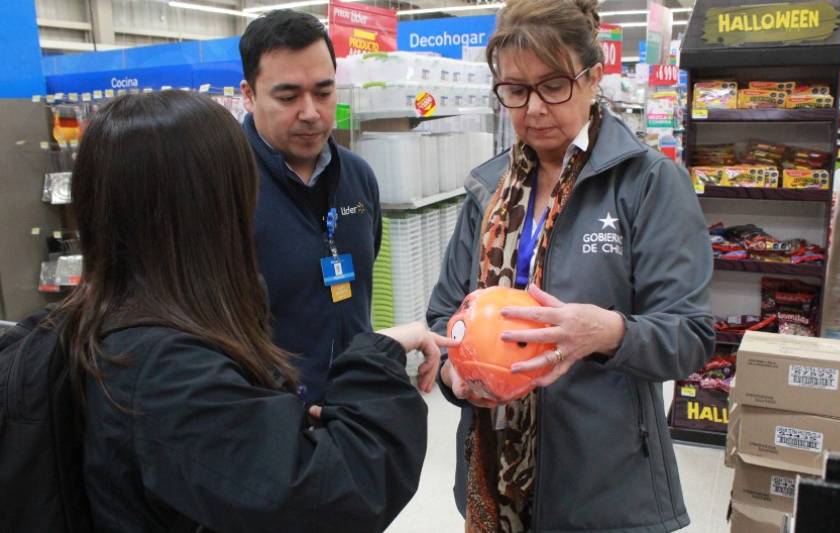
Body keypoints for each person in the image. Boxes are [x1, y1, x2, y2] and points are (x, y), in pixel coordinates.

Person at [56, 91, 450, 532]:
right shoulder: (167, 372)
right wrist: (376, 360)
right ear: (209, 209)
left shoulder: (97, 326)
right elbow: (344, 492)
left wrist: (271, 424)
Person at [426, 0, 715, 531]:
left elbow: (690, 333)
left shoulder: (646, 183)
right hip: (495, 476)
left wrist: (605, 333)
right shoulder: (487, 190)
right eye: (515, 91)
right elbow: (444, 315)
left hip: (605, 485)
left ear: (593, 79)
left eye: (553, 85)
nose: (534, 108)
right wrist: (454, 371)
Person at [239, 11, 405, 403]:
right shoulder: (223, 187)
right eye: (288, 96)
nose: (311, 112)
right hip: (272, 423)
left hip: (357, 405)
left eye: (324, 92)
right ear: (248, 95)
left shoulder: (358, 177)